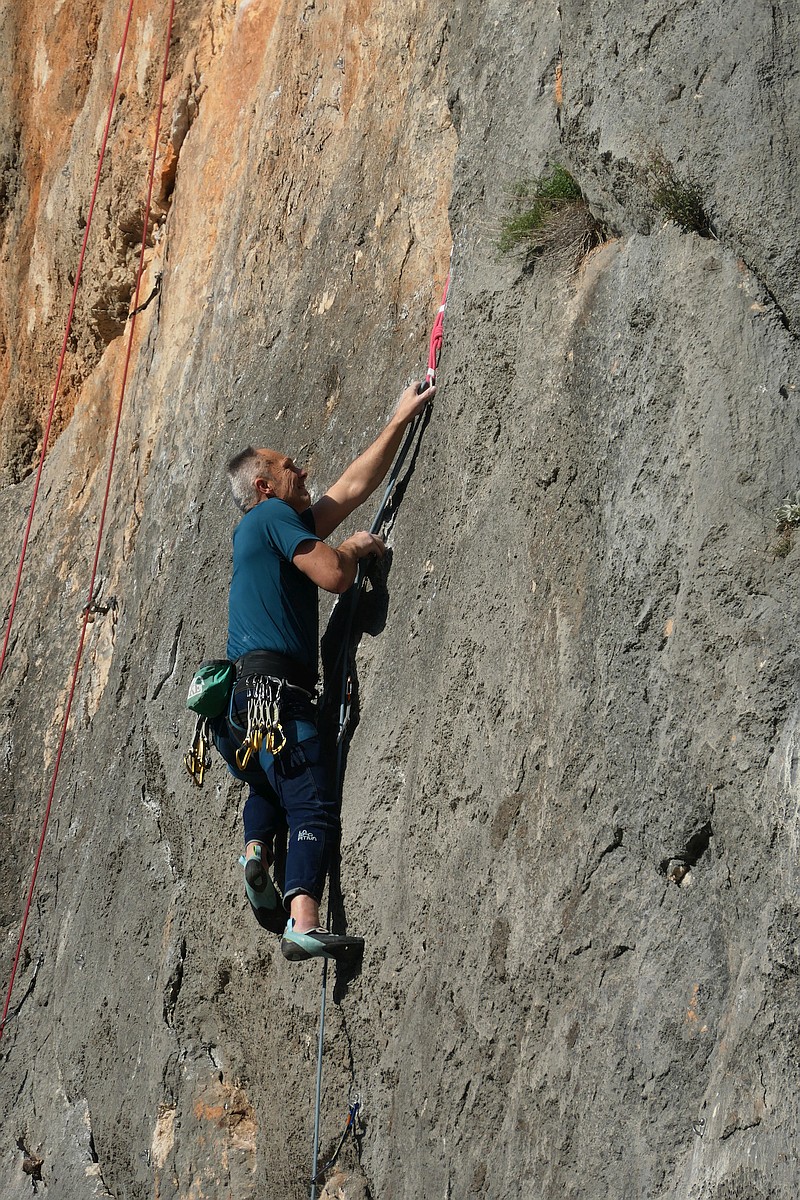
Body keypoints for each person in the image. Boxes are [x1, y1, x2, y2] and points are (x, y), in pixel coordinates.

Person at [214, 380, 434, 961]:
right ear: (264, 485)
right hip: (277, 694)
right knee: (311, 797)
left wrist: (398, 420)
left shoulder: (270, 530)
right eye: (289, 466)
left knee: (269, 781)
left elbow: (352, 488)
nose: (302, 468)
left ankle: (257, 850)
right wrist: (358, 551)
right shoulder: (268, 521)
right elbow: (335, 575)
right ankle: (302, 922)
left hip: (244, 703)